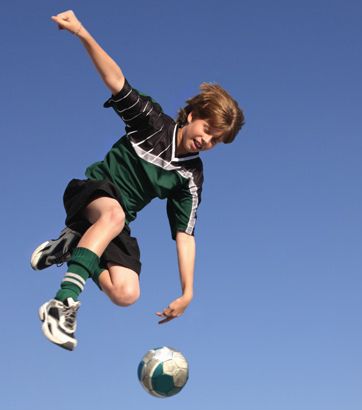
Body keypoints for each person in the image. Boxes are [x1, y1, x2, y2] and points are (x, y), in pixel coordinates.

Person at [31, 9, 244, 351]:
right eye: (207, 129)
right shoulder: (152, 123)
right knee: (113, 215)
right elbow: (116, 81)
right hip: (91, 193)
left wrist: (188, 291)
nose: (207, 141)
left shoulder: (190, 175)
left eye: (216, 140)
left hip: (113, 224)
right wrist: (83, 33)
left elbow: (184, 236)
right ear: (192, 115)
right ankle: (62, 304)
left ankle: (75, 245)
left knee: (126, 292)